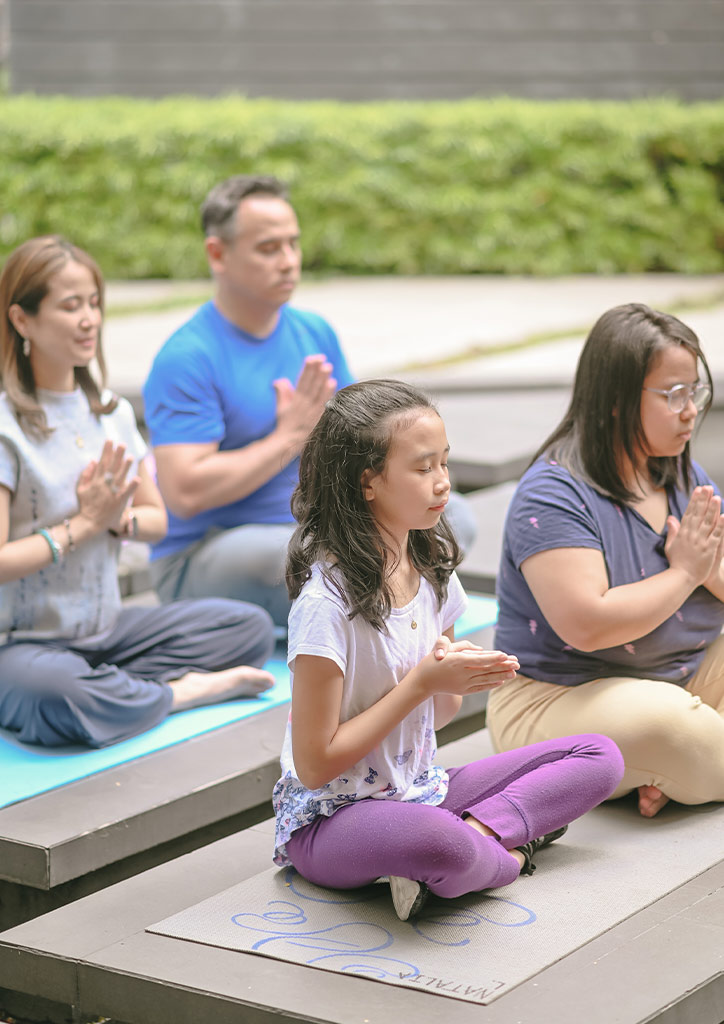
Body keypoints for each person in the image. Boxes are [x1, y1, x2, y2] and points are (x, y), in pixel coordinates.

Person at [272, 378, 624, 921]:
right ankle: (504, 851)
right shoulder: (325, 604)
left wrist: (453, 679)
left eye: (444, 463)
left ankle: (477, 837)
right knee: (441, 843)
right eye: (422, 468)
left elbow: (440, 715)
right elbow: (315, 765)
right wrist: (422, 684)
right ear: (368, 481)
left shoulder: (431, 569)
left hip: (421, 789)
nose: (442, 484)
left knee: (598, 756)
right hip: (334, 817)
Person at [143, 174, 476, 628]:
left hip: (315, 529)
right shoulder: (186, 358)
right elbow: (183, 494)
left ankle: (379, 618)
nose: (288, 261)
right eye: (268, 248)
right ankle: (387, 617)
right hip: (213, 553)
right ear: (217, 254)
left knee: (452, 516)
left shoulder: (313, 332)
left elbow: (367, 438)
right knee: (289, 556)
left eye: (293, 245)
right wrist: (289, 437)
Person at [0, 235, 276, 748]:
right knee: (54, 695)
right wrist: (82, 525)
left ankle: (121, 693)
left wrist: (114, 520)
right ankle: (179, 694)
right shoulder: (6, 428)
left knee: (248, 629)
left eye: (93, 303)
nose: (89, 319)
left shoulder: (110, 412)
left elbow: (156, 522)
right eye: (70, 306)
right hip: (19, 646)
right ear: (22, 320)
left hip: (107, 633)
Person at [487, 303, 724, 819]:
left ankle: (679, 769)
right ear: (617, 399)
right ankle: (677, 758)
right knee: (666, 726)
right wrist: (685, 573)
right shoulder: (553, 493)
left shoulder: (681, 472)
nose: (690, 410)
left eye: (695, 392)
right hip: (559, 698)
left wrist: (709, 570)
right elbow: (588, 626)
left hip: (684, 674)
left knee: (674, 725)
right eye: (673, 394)